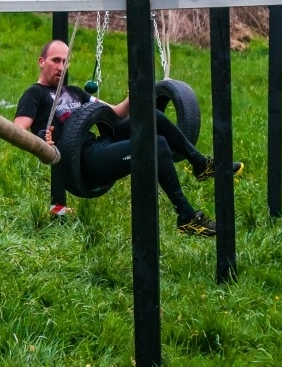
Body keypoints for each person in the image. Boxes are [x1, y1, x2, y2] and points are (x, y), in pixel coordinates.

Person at [13, 40, 242, 237]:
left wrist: (136, 92)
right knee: (156, 146)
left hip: (99, 144)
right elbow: (18, 131)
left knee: (152, 117)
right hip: (82, 161)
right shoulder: (35, 94)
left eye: (65, 61)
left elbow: (115, 113)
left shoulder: (74, 92)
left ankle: (200, 164)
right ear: (41, 62)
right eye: (55, 60)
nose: (61, 66)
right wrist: (43, 138)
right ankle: (187, 216)